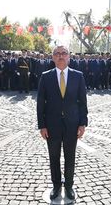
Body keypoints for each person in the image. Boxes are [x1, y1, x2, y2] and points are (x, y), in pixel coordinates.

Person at [37, 45, 88, 200]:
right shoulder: (45, 76)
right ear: (52, 57)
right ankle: (56, 185)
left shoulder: (78, 76)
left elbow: (82, 102)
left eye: (64, 53)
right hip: (52, 125)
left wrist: (82, 123)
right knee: (54, 157)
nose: (60, 56)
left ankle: (69, 186)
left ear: (69, 57)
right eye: (57, 53)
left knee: (70, 156)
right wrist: (42, 125)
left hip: (72, 124)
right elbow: (40, 103)